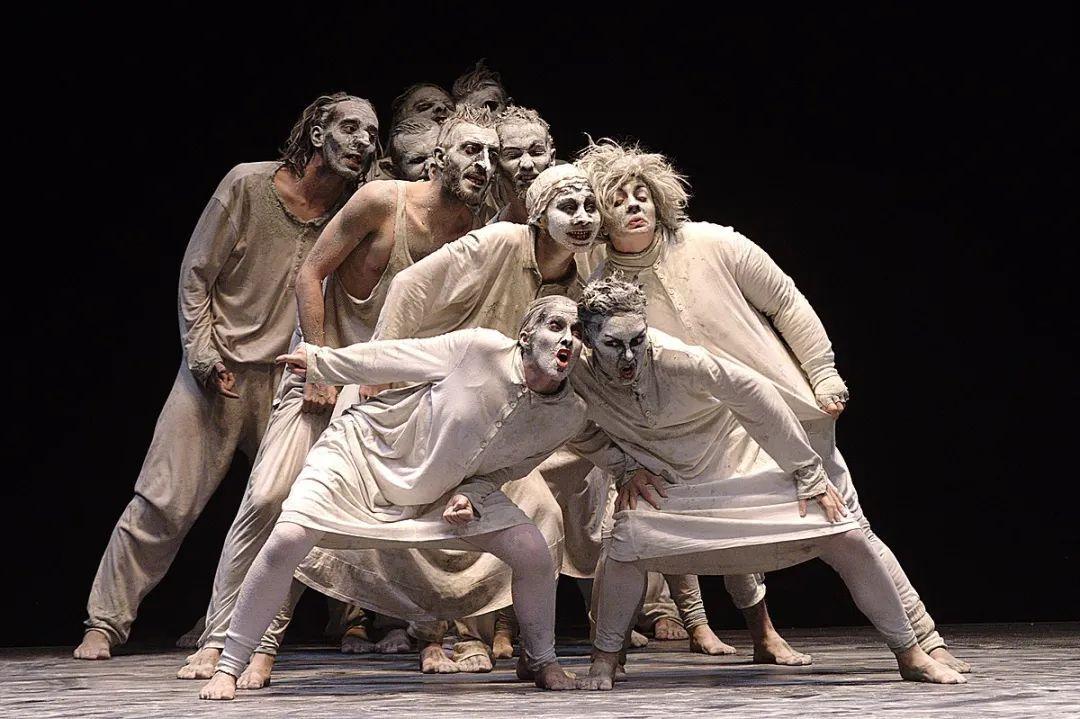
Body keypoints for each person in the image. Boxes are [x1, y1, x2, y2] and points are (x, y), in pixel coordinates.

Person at [577, 139, 969, 673]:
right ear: (599, 211)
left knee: (847, 526)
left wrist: (823, 370)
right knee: (657, 536)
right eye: (618, 199)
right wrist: (624, 457)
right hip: (685, 432)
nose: (634, 206)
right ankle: (620, 655)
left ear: (661, 198)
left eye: (642, 195)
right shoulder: (600, 283)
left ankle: (923, 639)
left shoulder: (712, 243)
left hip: (778, 410)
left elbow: (784, 299)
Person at [177, 106, 497, 684]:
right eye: (472, 149)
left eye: (492, 155)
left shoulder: (475, 228)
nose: (484, 163)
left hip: (392, 391)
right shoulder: (381, 200)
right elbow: (310, 273)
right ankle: (221, 637)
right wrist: (322, 364)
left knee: (403, 517)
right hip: (327, 368)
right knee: (273, 494)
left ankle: (425, 634)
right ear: (443, 149)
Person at [74, 92, 378, 661]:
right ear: (317, 134)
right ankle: (106, 621)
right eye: (351, 128)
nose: (364, 141)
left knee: (295, 505)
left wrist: (328, 370)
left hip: (293, 379)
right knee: (163, 501)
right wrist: (203, 354)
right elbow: (196, 274)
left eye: (371, 132)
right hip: (220, 371)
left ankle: (252, 630)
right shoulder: (248, 185)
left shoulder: (357, 208)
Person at [198, 296, 591, 699]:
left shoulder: (568, 414)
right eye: (556, 327)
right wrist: (322, 363)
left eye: (577, 333)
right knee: (287, 538)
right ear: (526, 335)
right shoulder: (480, 348)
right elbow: (395, 356)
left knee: (531, 550)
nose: (567, 340)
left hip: (442, 491)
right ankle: (229, 665)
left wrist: (471, 495)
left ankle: (543, 660)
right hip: (365, 453)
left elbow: (508, 469)